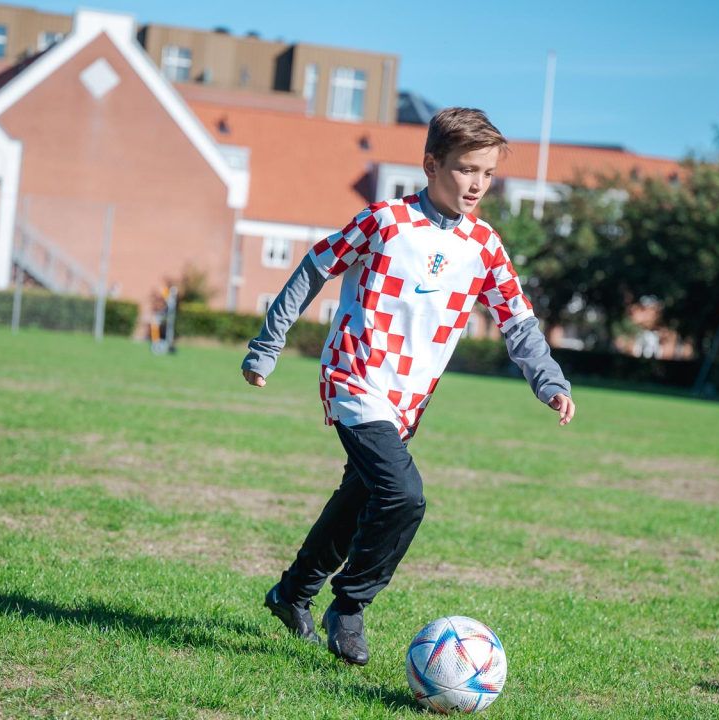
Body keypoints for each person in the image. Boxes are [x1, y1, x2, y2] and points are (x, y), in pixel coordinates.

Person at [240, 107, 575, 665]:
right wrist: (266, 346)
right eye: (467, 169)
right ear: (430, 165)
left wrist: (550, 382)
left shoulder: (485, 246)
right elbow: (315, 268)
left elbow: (518, 321)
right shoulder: (385, 221)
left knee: (360, 499)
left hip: (406, 402)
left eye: (487, 174)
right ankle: (348, 606)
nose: (477, 185)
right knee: (403, 495)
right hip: (355, 379)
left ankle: (293, 592)